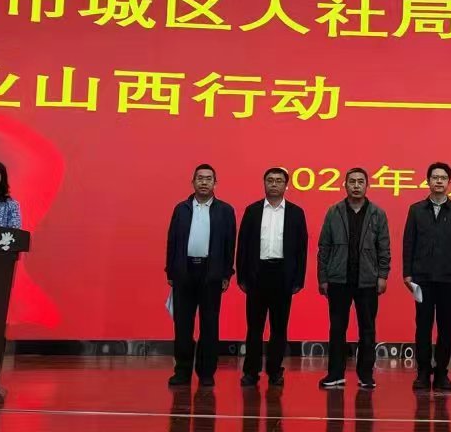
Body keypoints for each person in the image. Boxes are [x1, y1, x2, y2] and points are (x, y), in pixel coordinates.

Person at [317, 167, 390, 391]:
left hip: (367, 280)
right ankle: (335, 374)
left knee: (367, 329)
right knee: (337, 328)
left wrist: (382, 275)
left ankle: (366, 375)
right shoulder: (334, 212)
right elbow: (324, 247)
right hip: (339, 280)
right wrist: (323, 277)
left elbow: (384, 248)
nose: (356, 186)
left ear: (367, 186)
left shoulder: (377, 213)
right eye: (352, 182)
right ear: (345, 185)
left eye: (360, 182)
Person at [164, 163, 237, 388]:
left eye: (208, 178)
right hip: (184, 272)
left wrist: (226, 273)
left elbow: (229, 245)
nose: (204, 182)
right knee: (183, 325)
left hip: (211, 273)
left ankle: (206, 373)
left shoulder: (225, 210)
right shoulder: (181, 209)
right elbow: (172, 241)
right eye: (200, 178)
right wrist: (170, 271)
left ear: (215, 183)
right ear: (193, 182)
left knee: (209, 325)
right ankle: (182, 371)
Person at [236, 167, 309, 390]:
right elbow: (242, 245)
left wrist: (298, 279)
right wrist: (242, 276)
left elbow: (302, 249)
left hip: (282, 276)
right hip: (257, 274)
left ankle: (275, 371)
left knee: (279, 328)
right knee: (254, 328)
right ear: (264, 183)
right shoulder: (252, 211)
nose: (274, 184)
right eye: (270, 180)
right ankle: (251, 372)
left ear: (286, 185)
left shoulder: (296, 213)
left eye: (279, 180)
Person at [402, 162, 451, 393]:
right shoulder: (416, 210)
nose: (439, 181)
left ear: (449, 182)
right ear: (428, 181)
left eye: (443, 178)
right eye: (435, 177)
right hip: (421, 278)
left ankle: (442, 372)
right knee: (422, 325)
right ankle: (423, 372)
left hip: (448, 278)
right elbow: (408, 243)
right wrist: (407, 273)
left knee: (445, 326)